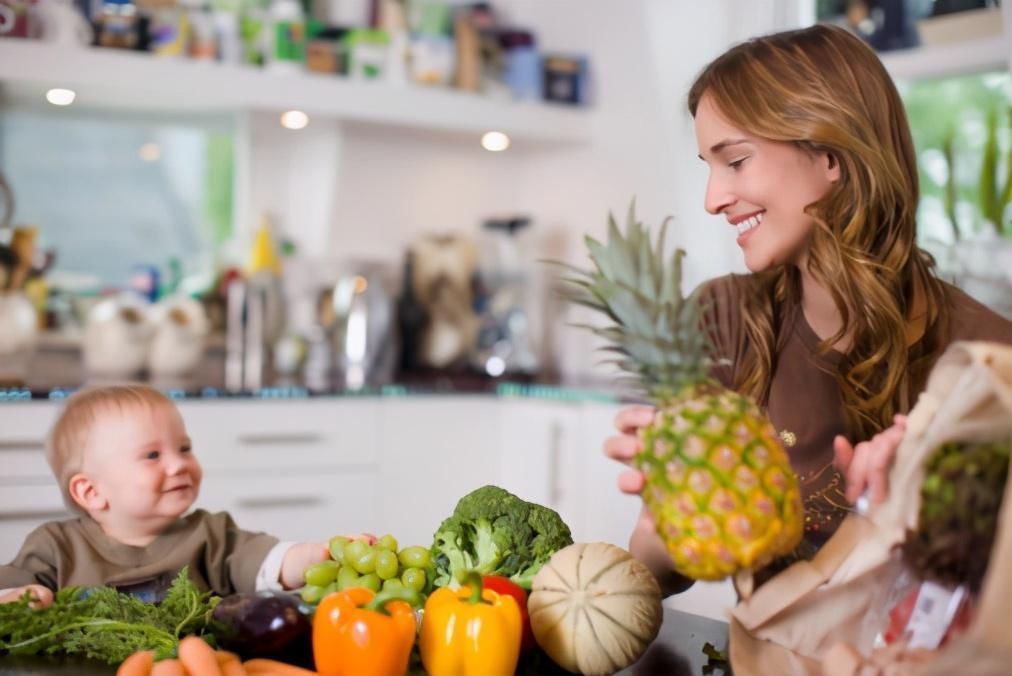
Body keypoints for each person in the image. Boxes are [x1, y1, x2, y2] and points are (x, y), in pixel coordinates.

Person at [604, 23, 1012, 596]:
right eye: (707, 166)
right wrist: (661, 523)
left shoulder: (989, 361)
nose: (713, 198)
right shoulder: (719, 319)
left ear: (829, 154)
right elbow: (662, 576)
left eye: (736, 161)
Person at [0, 384, 362, 608]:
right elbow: (13, 586)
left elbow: (266, 560)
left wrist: (316, 556)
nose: (178, 465)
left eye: (184, 448)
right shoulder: (54, 548)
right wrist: (22, 599)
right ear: (91, 492)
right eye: (152, 455)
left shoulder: (212, 535)